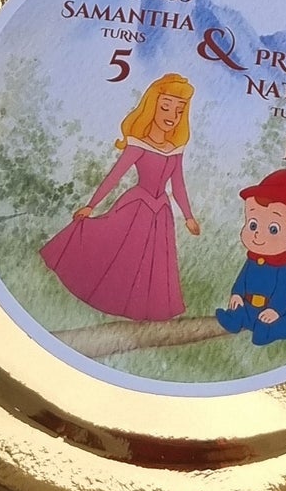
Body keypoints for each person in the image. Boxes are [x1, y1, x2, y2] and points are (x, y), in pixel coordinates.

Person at [39, 73, 200, 322]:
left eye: (178, 110)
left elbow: (178, 184)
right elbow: (114, 176)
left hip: (161, 215)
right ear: (152, 107)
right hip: (136, 208)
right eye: (165, 107)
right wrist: (91, 205)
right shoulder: (138, 145)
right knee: (123, 256)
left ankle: (147, 312)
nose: (171, 115)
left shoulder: (176, 150)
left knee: (153, 264)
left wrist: (188, 216)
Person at [216, 166, 286, 347]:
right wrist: (237, 294)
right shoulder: (252, 261)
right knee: (243, 312)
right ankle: (236, 319)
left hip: (283, 312)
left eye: (273, 229)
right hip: (254, 309)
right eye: (252, 225)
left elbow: (285, 292)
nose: (257, 234)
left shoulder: (285, 269)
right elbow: (242, 280)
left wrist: (275, 310)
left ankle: (268, 332)